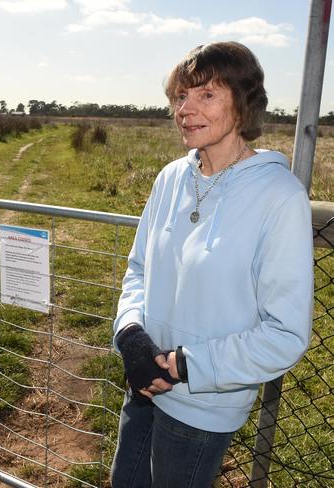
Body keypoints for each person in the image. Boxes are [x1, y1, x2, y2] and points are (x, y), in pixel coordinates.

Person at [110, 42, 313, 488]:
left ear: (242, 105)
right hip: (143, 383)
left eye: (206, 95)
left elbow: (285, 333)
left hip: (202, 407)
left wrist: (186, 365)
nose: (186, 109)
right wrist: (130, 334)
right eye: (180, 96)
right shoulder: (169, 178)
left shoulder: (279, 197)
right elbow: (139, 268)